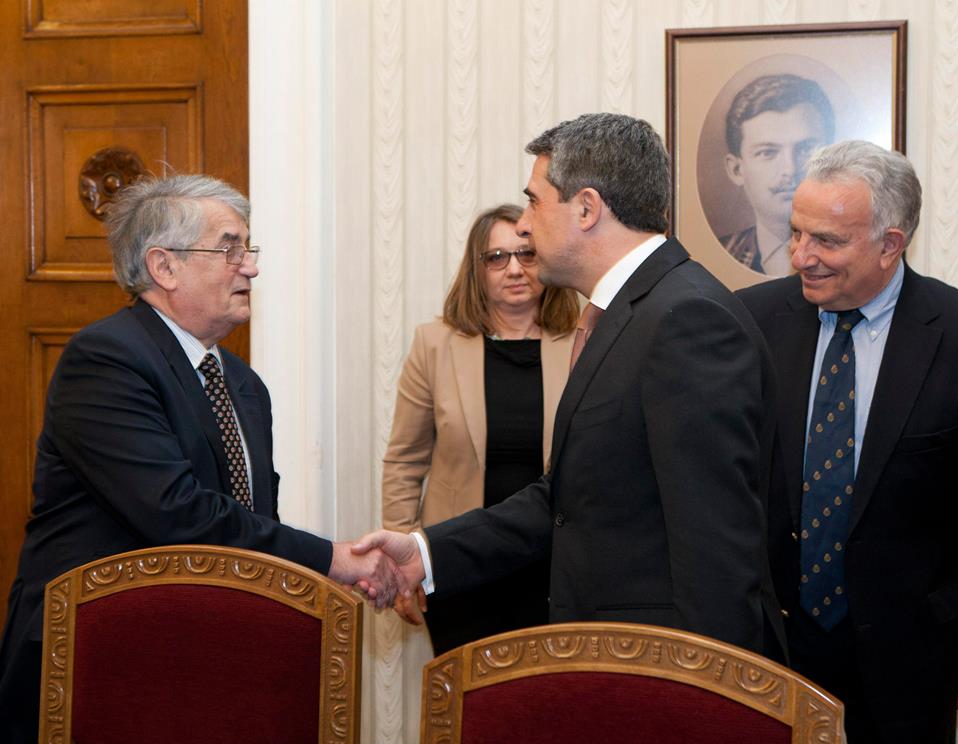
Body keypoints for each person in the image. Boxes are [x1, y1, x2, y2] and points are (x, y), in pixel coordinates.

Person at [358, 113, 786, 658]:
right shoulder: (630, 312)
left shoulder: (685, 319)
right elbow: (568, 497)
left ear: (586, 208)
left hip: (662, 666)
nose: (525, 226)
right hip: (615, 654)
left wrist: (704, 691)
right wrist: (425, 552)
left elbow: (716, 548)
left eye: (534, 202)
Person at [0, 175, 398, 743]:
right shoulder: (107, 359)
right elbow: (177, 513)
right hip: (94, 660)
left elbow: (254, 519)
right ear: (164, 266)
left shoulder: (242, 382)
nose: (250, 267)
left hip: (204, 656)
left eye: (249, 249)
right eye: (230, 249)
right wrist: (330, 559)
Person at [736, 141, 958, 743]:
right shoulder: (749, 322)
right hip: (771, 654)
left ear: (891, 244)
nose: (801, 257)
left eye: (827, 241)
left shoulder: (953, 332)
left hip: (910, 664)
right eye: (796, 232)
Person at [382, 204, 578, 654]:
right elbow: (404, 461)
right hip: (460, 560)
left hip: (551, 563)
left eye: (526, 254)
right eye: (497, 258)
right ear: (477, 269)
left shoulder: (582, 341)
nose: (514, 269)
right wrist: (401, 556)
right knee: (463, 689)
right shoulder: (435, 344)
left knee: (545, 689)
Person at [720, 74, 834, 276]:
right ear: (736, 169)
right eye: (767, 153)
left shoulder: (859, 255)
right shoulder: (725, 252)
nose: (790, 170)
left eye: (806, 149)